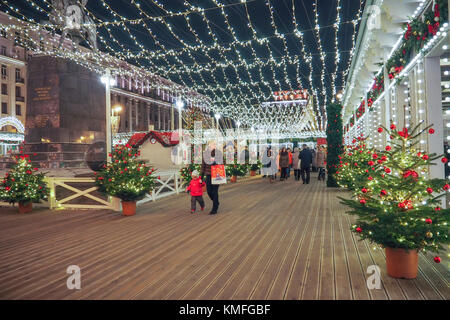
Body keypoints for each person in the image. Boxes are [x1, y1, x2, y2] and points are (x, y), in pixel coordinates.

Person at [201, 141, 223, 215]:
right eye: (212, 144)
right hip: (208, 174)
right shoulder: (205, 154)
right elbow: (203, 165)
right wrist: (201, 176)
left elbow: (222, 162)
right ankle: (216, 202)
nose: (214, 145)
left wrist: (215, 161)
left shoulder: (218, 153)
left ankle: (214, 209)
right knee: (209, 191)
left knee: (215, 191)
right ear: (209, 145)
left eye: (214, 144)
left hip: (216, 174)